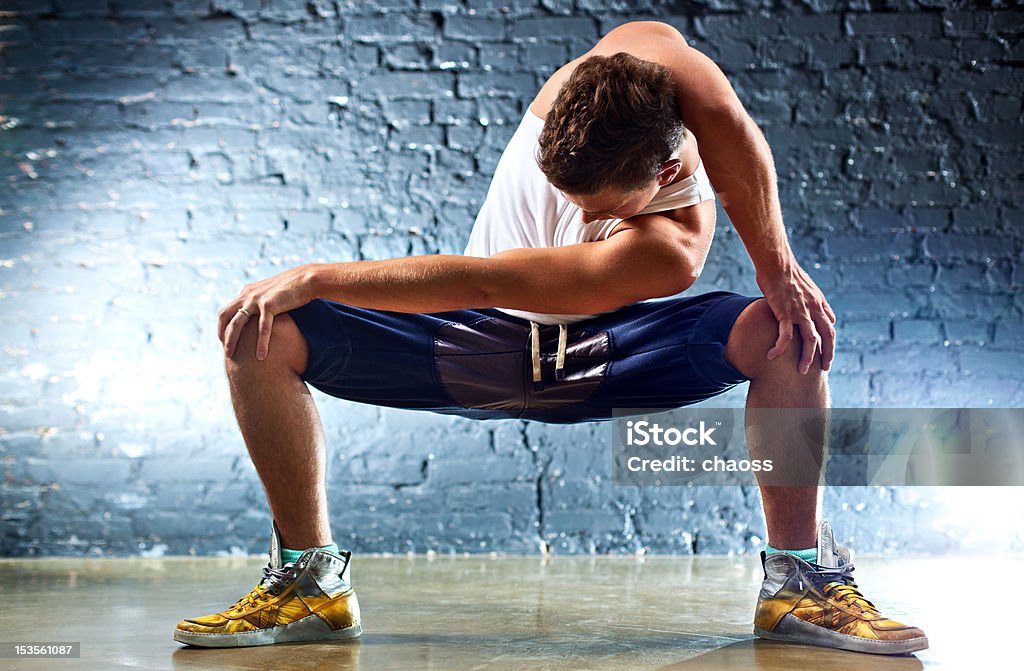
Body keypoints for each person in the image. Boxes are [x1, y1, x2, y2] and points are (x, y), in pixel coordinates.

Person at [173, 21, 927, 655]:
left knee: (783, 334)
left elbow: (482, 280)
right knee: (258, 332)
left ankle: (796, 584)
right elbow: (732, 130)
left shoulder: (667, 251)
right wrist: (778, 265)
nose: (568, 209)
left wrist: (315, 276)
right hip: (472, 342)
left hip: (583, 359)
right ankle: (309, 584)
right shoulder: (643, 53)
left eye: (591, 203)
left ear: (664, 171)